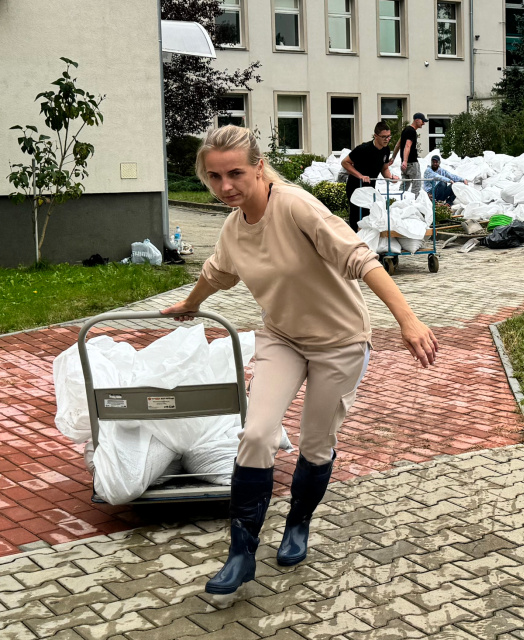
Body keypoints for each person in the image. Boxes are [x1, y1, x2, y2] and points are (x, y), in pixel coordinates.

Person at [162, 125, 438, 596]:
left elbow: (361, 258)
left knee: (316, 443)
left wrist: (407, 320)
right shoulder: (233, 228)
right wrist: (190, 304)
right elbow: (216, 273)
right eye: (214, 177)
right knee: (255, 434)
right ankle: (241, 553)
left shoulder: (295, 206)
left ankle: (298, 523)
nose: (225, 186)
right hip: (282, 338)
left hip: (340, 341)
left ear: (259, 167)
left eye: (236, 173)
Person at [341, 122, 400, 231]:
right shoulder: (363, 149)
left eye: (388, 137)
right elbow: (345, 162)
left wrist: (391, 177)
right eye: (383, 137)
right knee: (357, 216)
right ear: (375, 136)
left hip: (370, 187)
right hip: (355, 187)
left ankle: (366, 241)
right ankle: (355, 241)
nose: (387, 139)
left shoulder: (386, 150)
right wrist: (360, 176)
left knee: (369, 214)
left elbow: (384, 168)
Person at [391, 113, 428, 196]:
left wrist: (393, 157)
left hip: (405, 165)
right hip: (411, 163)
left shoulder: (405, 130)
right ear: (417, 120)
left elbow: (398, 144)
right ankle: (414, 204)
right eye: (422, 121)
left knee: (404, 185)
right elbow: (408, 145)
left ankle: (398, 200)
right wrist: (405, 160)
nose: (423, 123)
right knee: (416, 185)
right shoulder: (412, 131)